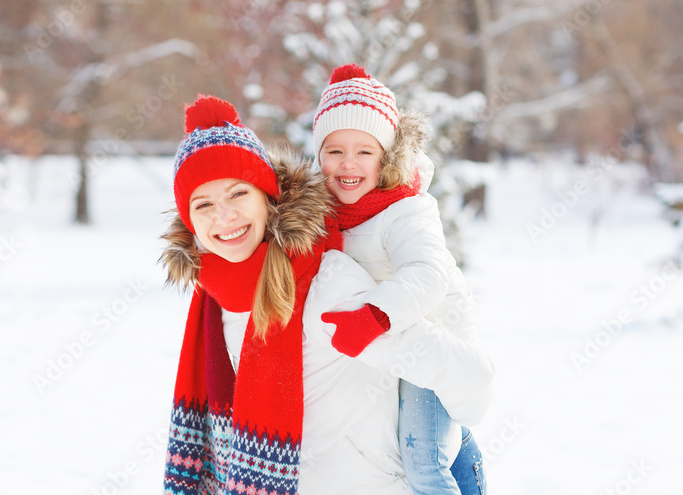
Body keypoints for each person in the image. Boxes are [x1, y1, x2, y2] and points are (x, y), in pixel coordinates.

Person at [160, 94, 494, 495]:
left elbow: (471, 378)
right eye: (204, 203)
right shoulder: (212, 299)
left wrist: (446, 444)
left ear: (267, 197)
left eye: (238, 194)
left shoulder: (324, 283)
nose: (224, 216)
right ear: (190, 220)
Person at [310, 63, 489, 495]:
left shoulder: (407, 209)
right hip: (397, 342)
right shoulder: (329, 212)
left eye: (364, 151)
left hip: (432, 340)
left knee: (423, 465)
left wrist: (373, 317)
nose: (348, 164)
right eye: (334, 151)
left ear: (386, 157)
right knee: (435, 443)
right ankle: (464, 451)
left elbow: (427, 273)